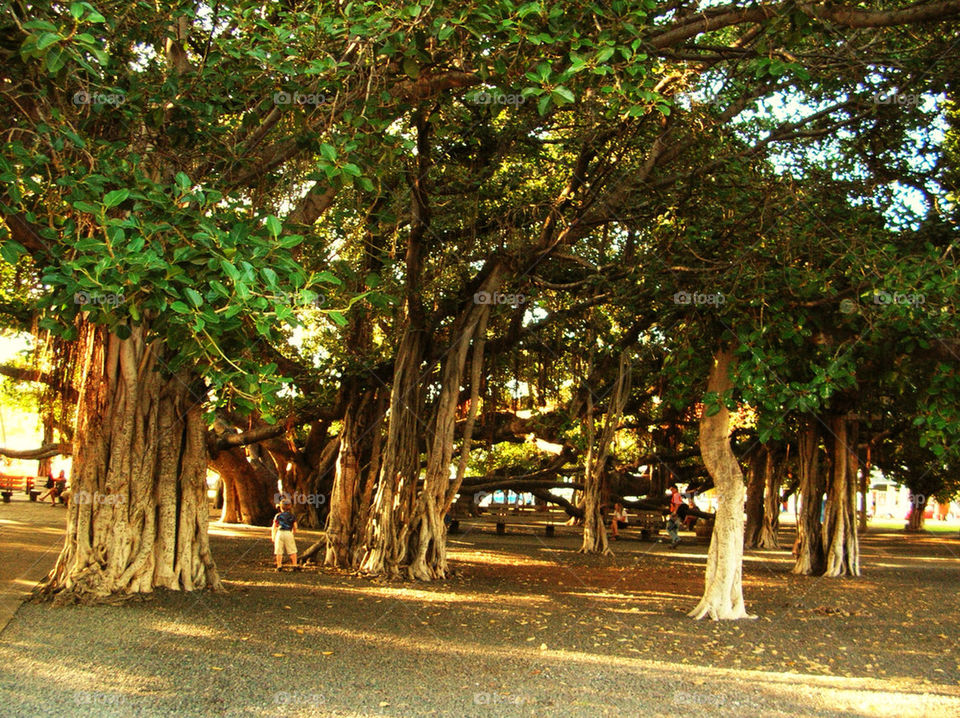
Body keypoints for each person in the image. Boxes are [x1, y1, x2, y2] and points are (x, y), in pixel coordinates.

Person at [271, 501, 299, 571]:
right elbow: (295, 526)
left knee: (278, 550)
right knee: (292, 549)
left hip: (279, 533)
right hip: (288, 533)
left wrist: (273, 536)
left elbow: (274, 526)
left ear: (281, 508)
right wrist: (293, 532)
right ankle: (294, 565)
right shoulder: (292, 516)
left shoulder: (278, 516)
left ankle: (279, 566)